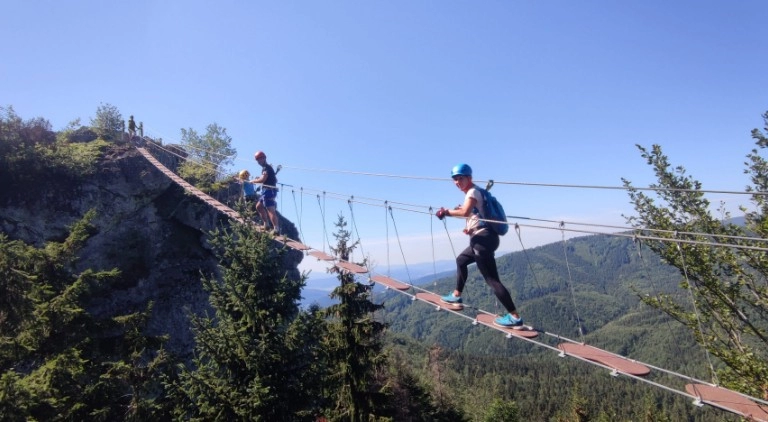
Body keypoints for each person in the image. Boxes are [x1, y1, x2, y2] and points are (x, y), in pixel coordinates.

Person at [435, 163, 524, 328]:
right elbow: (474, 214)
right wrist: (471, 227)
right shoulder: (478, 192)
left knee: (492, 280)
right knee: (461, 260)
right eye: (454, 179)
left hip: (482, 241)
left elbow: (465, 212)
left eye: (460, 178)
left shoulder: (472, 191)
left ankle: (515, 317)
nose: (457, 182)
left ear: (469, 178)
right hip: (485, 238)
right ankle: (456, 295)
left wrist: (445, 212)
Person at [253, 150, 280, 234]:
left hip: (269, 191)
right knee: (259, 206)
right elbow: (272, 179)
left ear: (264, 158)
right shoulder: (266, 168)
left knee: (270, 209)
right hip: (266, 191)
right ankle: (266, 224)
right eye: (257, 160)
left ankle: (276, 229)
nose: (259, 161)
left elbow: (263, 179)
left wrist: (253, 181)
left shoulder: (266, 168)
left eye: (260, 159)